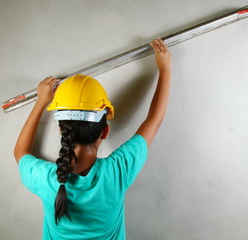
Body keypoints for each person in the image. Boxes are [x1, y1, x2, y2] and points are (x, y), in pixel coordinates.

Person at [13, 38, 171, 240]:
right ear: (104, 132)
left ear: (63, 131)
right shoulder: (117, 171)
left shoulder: (47, 179)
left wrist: (40, 102)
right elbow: (154, 121)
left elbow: (20, 152)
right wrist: (165, 69)